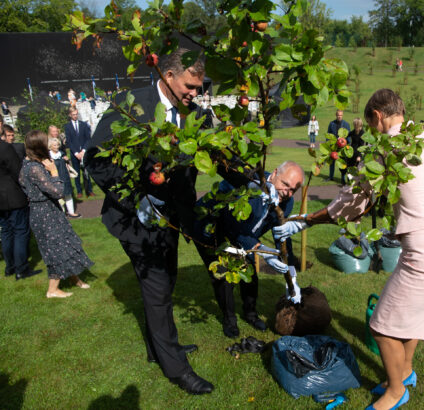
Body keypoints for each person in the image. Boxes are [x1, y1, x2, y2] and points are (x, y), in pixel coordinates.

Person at [273, 89, 424, 410]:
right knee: (411, 317)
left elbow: (350, 203)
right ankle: (406, 372)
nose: (372, 131)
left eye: (371, 125)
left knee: (382, 327)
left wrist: (305, 221)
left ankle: (396, 392)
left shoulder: (385, 150)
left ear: (377, 117)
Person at [84, 48, 222, 395]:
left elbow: (213, 160)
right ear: (169, 76)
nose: (195, 93)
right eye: (190, 86)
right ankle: (176, 368)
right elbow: (96, 159)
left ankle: (159, 348)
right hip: (135, 219)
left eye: (199, 86)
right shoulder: (132, 106)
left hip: (170, 219)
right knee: (158, 288)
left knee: (168, 280)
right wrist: (136, 201)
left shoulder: (196, 117)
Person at [192, 161, 303, 338]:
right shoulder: (244, 182)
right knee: (223, 274)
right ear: (274, 174)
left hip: (244, 233)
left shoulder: (286, 203)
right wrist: (259, 248)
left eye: (292, 190)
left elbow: (280, 232)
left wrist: (289, 265)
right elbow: (232, 225)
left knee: (249, 270)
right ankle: (229, 319)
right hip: (210, 227)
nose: (287, 193)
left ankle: (250, 313)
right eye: (285, 184)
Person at [19, 130, 93, 298]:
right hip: (45, 214)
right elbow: (58, 191)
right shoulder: (35, 168)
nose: (49, 144)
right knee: (56, 249)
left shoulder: (26, 164)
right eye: (46, 142)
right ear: (39, 146)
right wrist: (54, 171)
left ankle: (75, 279)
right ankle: (52, 290)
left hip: (43, 211)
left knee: (64, 243)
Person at [0, 138, 36, 280]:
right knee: (20, 231)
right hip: (13, 196)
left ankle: (10, 267)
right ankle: (21, 269)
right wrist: (27, 190)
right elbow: (17, 172)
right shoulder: (4, 147)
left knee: (6, 232)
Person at [64, 107, 94, 198]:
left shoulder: (84, 124)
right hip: (74, 154)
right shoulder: (67, 126)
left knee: (86, 172)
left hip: (84, 152)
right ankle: (79, 191)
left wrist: (83, 151)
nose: (75, 116)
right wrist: (76, 153)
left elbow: (88, 139)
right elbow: (69, 141)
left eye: (76, 114)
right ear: (70, 115)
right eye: (73, 114)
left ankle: (89, 190)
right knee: (76, 173)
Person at [49, 137, 80, 218]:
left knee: (68, 195)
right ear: (50, 146)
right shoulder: (48, 156)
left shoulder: (62, 153)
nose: (57, 147)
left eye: (57, 145)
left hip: (65, 177)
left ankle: (71, 212)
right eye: (55, 145)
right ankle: (61, 214)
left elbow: (67, 165)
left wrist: (67, 160)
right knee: (58, 197)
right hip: (55, 178)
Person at [326, 110, 350, 181]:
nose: (339, 116)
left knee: (342, 163)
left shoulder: (346, 124)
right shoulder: (331, 124)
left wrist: (347, 144)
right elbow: (328, 135)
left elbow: (348, 136)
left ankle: (343, 178)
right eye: (338, 115)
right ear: (336, 115)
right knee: (331, 163)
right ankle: (331, 177)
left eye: (341, 115)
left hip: (342, 147)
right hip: (333, 146)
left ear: (342, 115)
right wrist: (328, 145)